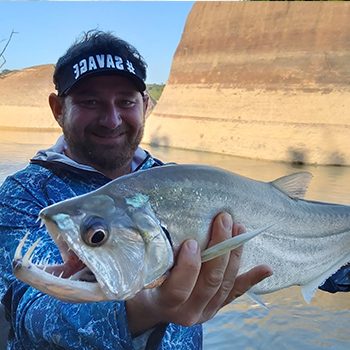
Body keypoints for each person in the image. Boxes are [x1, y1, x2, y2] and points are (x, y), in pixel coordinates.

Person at [0, 30, 348, 350]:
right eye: (90, 102)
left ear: (146, 106)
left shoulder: (179, 184)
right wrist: (144, 310)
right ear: (58, 109)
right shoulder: (22, 194)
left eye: (126, 102)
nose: (111, 119)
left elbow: (304, 248)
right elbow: (28, 309)